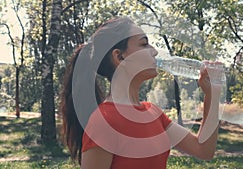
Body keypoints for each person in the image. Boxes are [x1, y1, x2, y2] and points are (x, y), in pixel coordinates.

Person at [60, 17, 221, 169]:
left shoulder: (153, 113)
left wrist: (212, 96)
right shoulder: (103, 122)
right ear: (119, 56)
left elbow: (204, 150)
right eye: (144, 44)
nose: (155, 51)